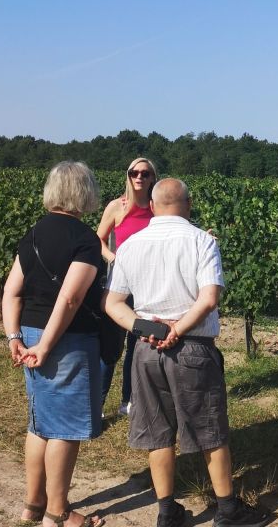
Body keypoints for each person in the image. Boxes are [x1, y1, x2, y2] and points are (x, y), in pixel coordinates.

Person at [105, 178, 272, 527]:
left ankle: (167, 512)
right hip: (192, 348)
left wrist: (149, 329)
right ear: (189, 204)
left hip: (146, 350)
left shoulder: (131, 245)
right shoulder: (201, 241)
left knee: (157, 431)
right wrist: (177, 329)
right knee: (210, 430)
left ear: (151, 207)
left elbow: (114, 304)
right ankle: (227, 511)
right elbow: (209, 298)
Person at [2, 161, 106, 527]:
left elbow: (12, 292)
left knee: (39, 424)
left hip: (31, 334)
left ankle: (32, 505)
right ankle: (57, 512)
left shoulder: (32, 235)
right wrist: (46, 346)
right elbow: (70, 299)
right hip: (66, 341)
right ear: (85, 192)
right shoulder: (84, 239)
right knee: (64, 428)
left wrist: (14, 338)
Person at [96, 157, 157, 415]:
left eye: (145, 173)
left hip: (146, 287)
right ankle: (96, 404)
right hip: (119, 287)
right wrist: (114, 259)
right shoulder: (116, 207)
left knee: (137, 343)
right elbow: (98, 239)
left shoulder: (157, 209)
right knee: (110, 347)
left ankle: (127, 401)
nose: (139, 177)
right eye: (134, 172)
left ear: (153, 177)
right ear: (128, 175)